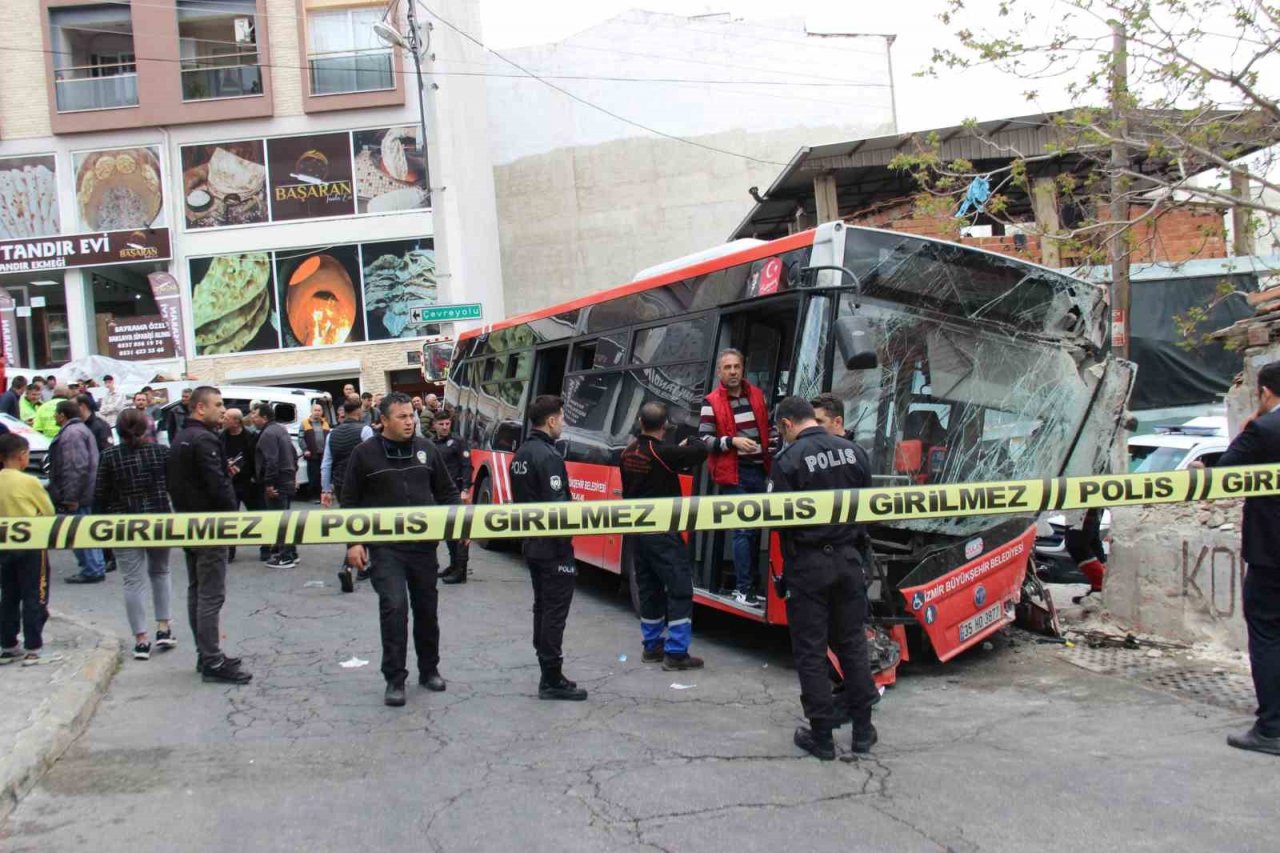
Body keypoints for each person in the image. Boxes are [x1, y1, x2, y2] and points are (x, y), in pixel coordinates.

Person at [769, 397, 879, 760]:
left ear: (786, 425)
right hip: (850, 561)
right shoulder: (854, 452)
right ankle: (863, 732)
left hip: (809, 565)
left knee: (811, 652)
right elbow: (867, 507)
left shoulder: (787, 460)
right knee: (852, 646)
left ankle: (822, 738)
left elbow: (778, 518)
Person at [341, 393, 459, 707]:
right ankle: (395, 678)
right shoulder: (364, 454)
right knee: (393, 608)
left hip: (423, 548)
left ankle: (429, 669)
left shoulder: (427, 449)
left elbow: (447, 493)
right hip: (385, 549)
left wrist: (462, 527)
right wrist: (353, 543)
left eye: (411, 416)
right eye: (402, 417)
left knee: (426, 610)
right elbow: (349, 501)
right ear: (383, 421)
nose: (410, 422)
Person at [1203, 362, 1280, 756]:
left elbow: (1225, 474)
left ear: (1266, 393)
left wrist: (1252, 422)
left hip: (1271, 555)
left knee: (1266, 633)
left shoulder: (1265, 429)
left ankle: (1272, 729)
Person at [166, 386, 251, 685]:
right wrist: (230, 517)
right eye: (218, 404)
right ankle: (212, 659)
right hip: (210, 526)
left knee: (197, 591)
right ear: (200, 408)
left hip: (190, 523)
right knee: (210, 594)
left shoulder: (181, 438)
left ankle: (207, 655)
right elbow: (217, 487)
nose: (223, 410)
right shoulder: (203, 439)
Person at [510, 395, 588, 701]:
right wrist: (564, 546)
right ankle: (552, 679)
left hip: (531, 545)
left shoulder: (521, 454)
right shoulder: (548, 456)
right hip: (553, 548)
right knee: (554, 612)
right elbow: (558, 507)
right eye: (562, 418)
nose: (564, 423)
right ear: (552, 421)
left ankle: (548, 672)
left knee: (542, 608)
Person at [619, 402, 708, 670]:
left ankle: (652, 646)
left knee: (649, 589)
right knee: (680, 588)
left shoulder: (627, 452)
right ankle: (676, 652)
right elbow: (701, 451)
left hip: (637, 532)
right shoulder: (663, 453)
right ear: (666, 426)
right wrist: (693, 438)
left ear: (639, 422)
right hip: (662, 533)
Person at [94, 409, 175, 661]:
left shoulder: (108, 456)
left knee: (132, 581)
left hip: (124, 523)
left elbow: (100, 494)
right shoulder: (161, 452)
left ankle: (141, 640)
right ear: (146, 428)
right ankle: (163, 627)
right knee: (160, 572)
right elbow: (175, 484)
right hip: (159, 520)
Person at [699, 348, 773, 607]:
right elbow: (705, 441)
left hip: (759, 471)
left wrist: (772, 453)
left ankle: (751, 585)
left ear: (743, 370)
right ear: (719, 371)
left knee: (754, 530)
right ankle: (743, 590)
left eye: (736, 367)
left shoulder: (757, 395)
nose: (732, 371)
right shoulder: (711, 402)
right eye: (727, 367)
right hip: (734, 474)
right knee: (743, 529)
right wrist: (733, 442)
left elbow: (769, 431)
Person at [0, 433, 55, 666]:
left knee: (9, 595)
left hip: (4, 546)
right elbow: (48, 512)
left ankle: (8, 644)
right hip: (32, 545)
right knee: (35, 595)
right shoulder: (30, 482)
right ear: (22, 455)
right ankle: (34, 647)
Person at [48, 400, 106, 584]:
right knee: (83, 529)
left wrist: (71, 497)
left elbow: (75, 467)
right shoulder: (79, 430)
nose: (54, 416)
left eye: (56, 413)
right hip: (84, 491)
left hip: (78, 494)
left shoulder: (72, 434)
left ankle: (92, 568)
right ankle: (94, 566)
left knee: (77, 531)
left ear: (62, 415)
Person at [323, 397, 372, 593]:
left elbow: (326, 464)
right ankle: (354, 566)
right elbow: (373, 456)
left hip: (341, 484)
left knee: (352, 524)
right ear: (359, 411)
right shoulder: (365, 430)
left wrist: (326, 489)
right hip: (363, 483)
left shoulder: (332, 434)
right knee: (365, 523)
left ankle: (354, 564)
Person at [251, 401, 299, 569]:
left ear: (264, 417)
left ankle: (284, 556)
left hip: (277, 481)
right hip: (286, 477)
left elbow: (271, 461)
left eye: (255, 415)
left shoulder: (268, 434)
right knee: (285, 518)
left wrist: (269, 484)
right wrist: (294, 474)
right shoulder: (280, 429)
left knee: (278, 519)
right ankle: (292, 552)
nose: (252, 418)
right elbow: (293, 454)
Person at [431, 410, 473, 584]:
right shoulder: (431, 443)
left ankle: (461, 571)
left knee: (460, 531)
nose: (445, 427)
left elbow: (466, 466)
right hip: (439, 493)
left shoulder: (457, 441)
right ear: (434, 425)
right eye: (441, 424)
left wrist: (465, 489)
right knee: (448, 531)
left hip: (455, 492)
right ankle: (453, 564)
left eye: (447, 423)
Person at [221, 408, 266, 563]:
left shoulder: (251, 437)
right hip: (230, 483)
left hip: (249, 483)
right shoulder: (221, 437)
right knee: (230, 518)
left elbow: (257, 459)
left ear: (236, 421)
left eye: (226, 418)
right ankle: (229, 551)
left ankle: (265, 548)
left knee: (258, 515)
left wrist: (254, 476)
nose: (223, 420)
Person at [301, 403, 329, 503]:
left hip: (324, 454)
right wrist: (305, 450)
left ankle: (323, 495)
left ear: (322, 412)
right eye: (315, 410)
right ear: (311, 411)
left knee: (323, 475)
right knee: (314, 476)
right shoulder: (305, 423)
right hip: (312, 454)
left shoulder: (325, 423)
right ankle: (313, 497)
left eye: (319, 410)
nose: (317, 412)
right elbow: (301, 438)